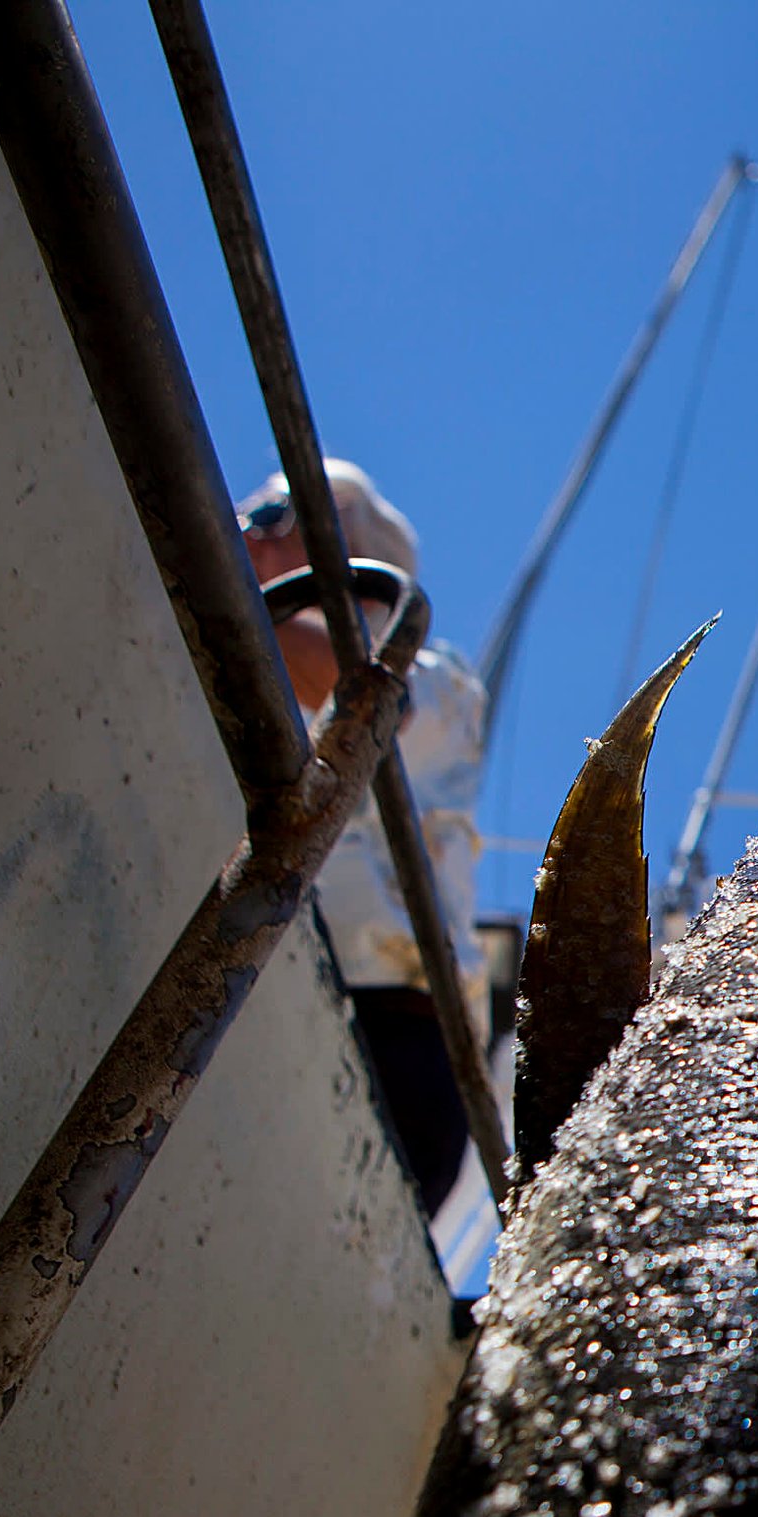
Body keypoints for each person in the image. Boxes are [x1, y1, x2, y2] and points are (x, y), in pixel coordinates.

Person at [239, 460, 489, 1213]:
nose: (246, 537)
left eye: (272, 517)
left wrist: (230, 603)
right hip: (257, 997)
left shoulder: (439, 680)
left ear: (344, 536)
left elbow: (366, 702)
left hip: (392, 1038)